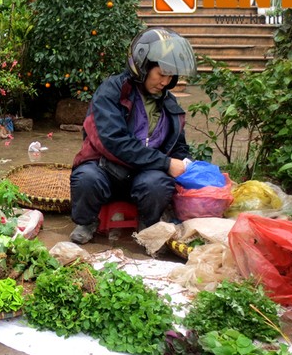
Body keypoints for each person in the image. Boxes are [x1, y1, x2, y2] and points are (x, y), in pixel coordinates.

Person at [69, 27, 197, 244]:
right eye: (161, 74)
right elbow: (113, 142)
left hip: (145, 174)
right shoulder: (112, 92)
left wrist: (186, 165)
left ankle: (147, 225)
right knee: (86, 178)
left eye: (171, 76)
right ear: (142, 67)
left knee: (158, 184)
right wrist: (165, 162)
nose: (165, 82)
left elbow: (178, 146)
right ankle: (87, 221)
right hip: (104, 167)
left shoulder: (169, 104)